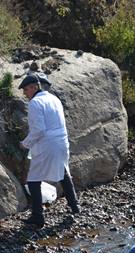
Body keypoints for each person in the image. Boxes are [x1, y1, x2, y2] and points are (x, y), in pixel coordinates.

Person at [18, 73, 80, 228]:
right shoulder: (54, 99)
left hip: (46, 145)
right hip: (61, 142)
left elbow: (39, 130)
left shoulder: (35, 103)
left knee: (33, 180)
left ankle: (38, 216)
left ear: (34, 87)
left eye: (26, 89)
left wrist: (25, 144)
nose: (25, 93)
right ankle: (75, 207)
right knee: (63, 174)